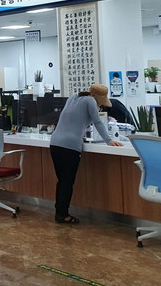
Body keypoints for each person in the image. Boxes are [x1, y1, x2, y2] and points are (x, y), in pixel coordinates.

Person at [49, 84, 123, 224]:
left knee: (62, 181)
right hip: (70, 146)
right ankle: (62, 214)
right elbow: (97, 122)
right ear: (98, 98)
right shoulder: (90, 101)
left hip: (55, 143)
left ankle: (60, 212)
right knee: (67, 182)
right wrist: (109, 140)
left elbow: (73, 120)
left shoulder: (73, 98)